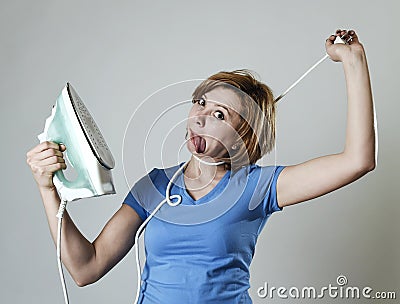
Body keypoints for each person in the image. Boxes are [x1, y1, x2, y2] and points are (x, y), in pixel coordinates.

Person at [26, 29, 375, 303]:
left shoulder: (257, 188)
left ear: (244, 137)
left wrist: (352, 59)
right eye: (201, 103)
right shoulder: (155, 186)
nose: (201, 117)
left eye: (220, 114)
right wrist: (47, 188)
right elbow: (86, 267)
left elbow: (357, 160)